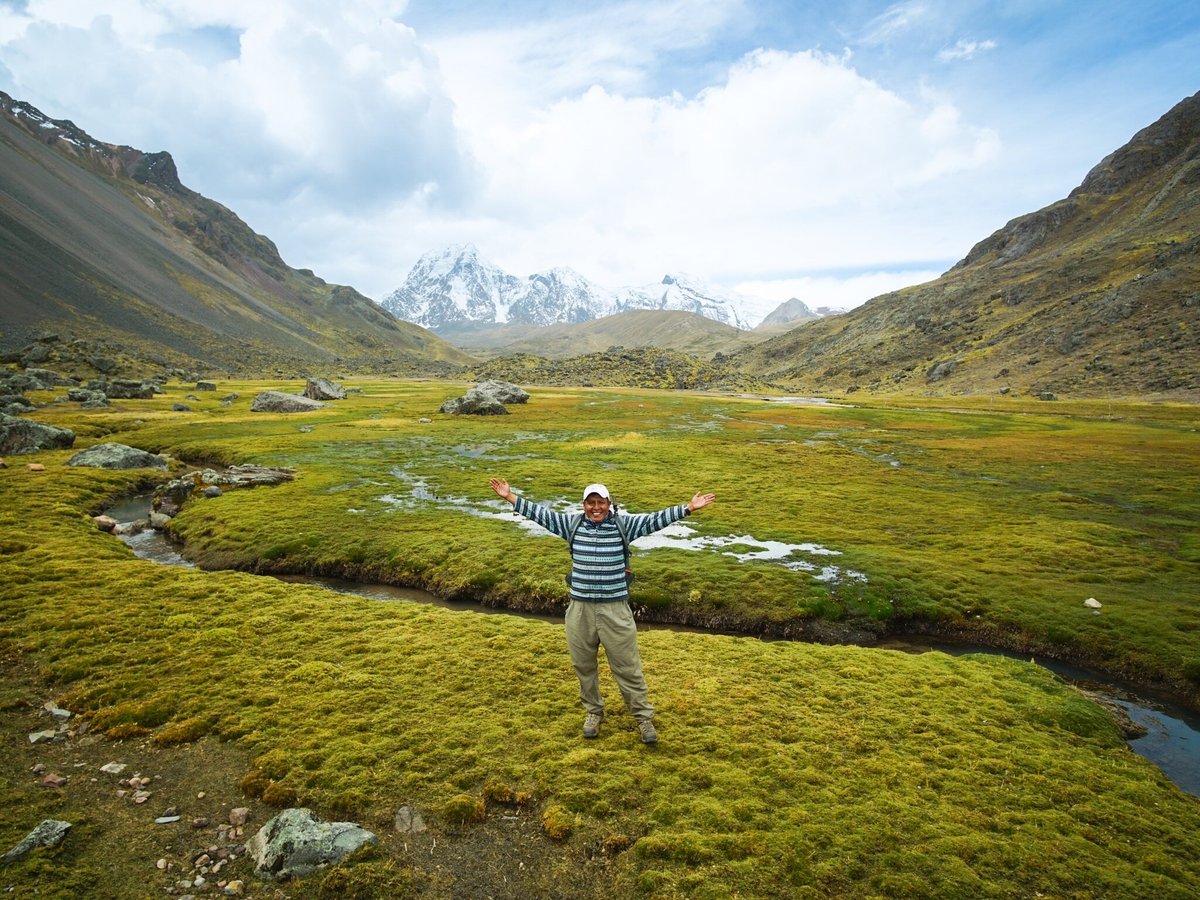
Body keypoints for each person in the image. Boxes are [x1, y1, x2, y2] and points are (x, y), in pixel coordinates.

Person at [489, 478, 716, 744]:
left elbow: (655, 519)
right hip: (580, 610)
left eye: (601, 502)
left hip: (615, 609)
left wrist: (687, 508)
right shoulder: (571, 524)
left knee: (628, 667)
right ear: (584, 505)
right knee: (583, 665)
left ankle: (643, 718)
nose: (596, 507)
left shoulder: (624, 525)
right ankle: (593, 713)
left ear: (609, 504)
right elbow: (542, 515)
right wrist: (510, 497)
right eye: (591, 503)